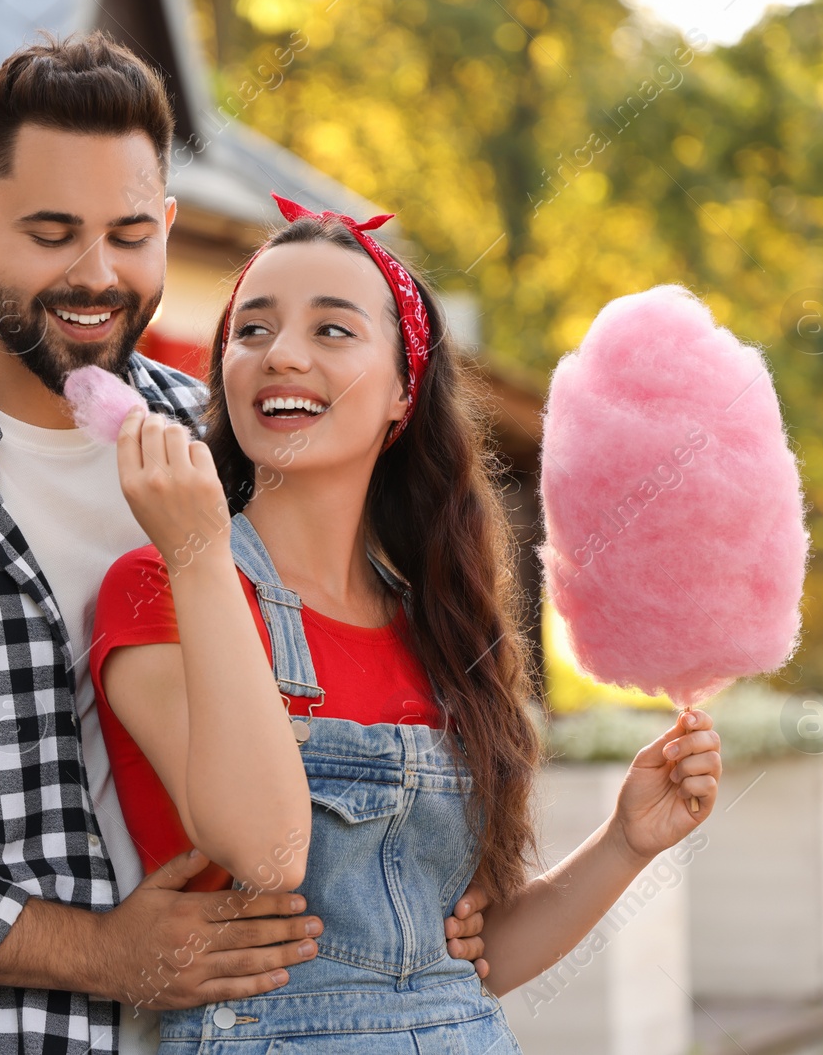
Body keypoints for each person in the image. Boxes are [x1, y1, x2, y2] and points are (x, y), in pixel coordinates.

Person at [0, 34, 489, 1055]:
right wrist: (98, 952)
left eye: (129, 234)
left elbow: (349, 681)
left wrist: (433, 891)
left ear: (167, 226)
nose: (95, 274)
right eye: (51, 232)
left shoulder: (222, 448)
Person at [89, 194, 725, 1051]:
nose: (282, 355)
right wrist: (200, 548)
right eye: (253, 330)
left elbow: (462, 962)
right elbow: (267, 848)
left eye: (332, 330)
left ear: (401, 391)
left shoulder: (439, 627)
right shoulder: (159, 586)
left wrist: (625, 840)